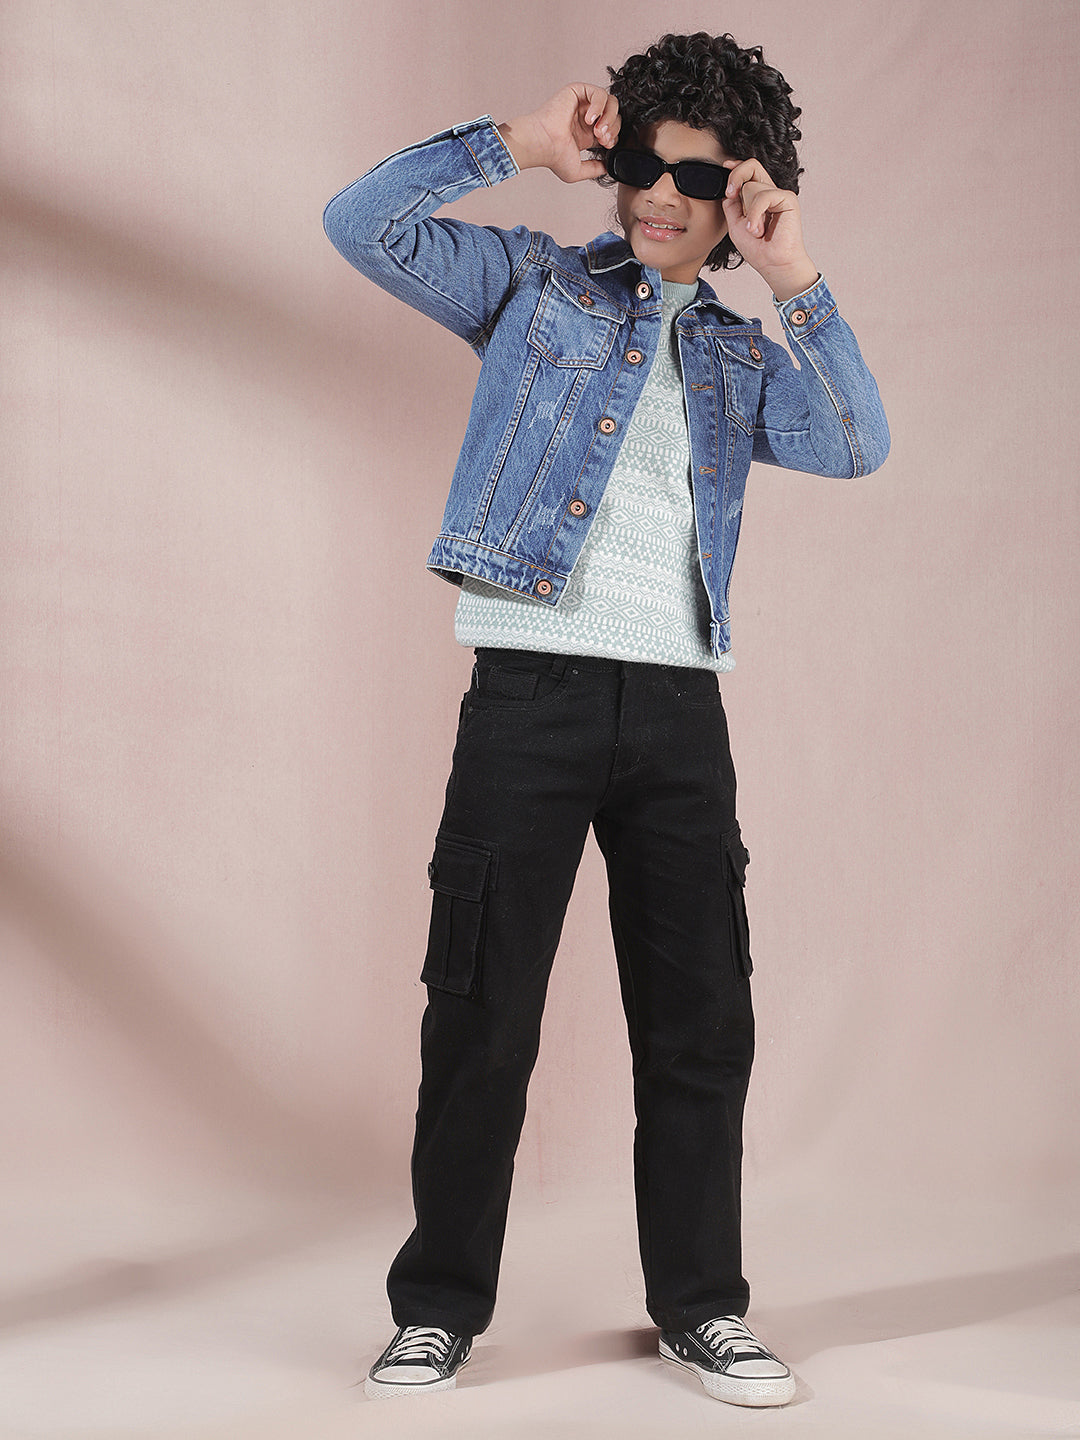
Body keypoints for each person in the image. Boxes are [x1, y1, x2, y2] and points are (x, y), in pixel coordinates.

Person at [323, 30, 889, 1409]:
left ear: (739, 197)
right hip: (531, 693)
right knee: (482, 1012)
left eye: (699, 180)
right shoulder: (533, 287)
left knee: (700, 1021)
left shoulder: (743, 356)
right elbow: (362, 222)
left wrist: (794, 274)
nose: (659, 196)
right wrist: (518, 145)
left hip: (680, 710)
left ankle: (702, 1307)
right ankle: (437, 1307)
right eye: (643, 163)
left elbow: (856, 440)